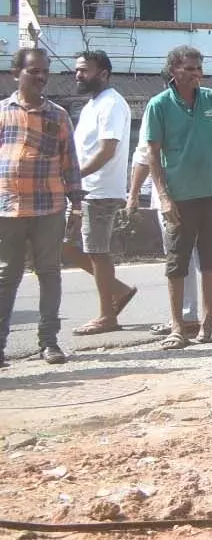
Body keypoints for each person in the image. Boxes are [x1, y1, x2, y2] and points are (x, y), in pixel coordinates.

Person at [143, 46, 212, 349]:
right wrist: (164, 198)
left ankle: (208, 325)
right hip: (180, 197)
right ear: (174, 71)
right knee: (177, 264)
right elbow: (152, 156)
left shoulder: (211, 98)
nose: (197, 73)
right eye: (191, 68)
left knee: (211, 262)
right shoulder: (158, 105)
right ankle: (177, 328)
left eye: (199, 68)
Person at [0, 47, 82, 366]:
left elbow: (70, 164)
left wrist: (77, 205)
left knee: (49, 273)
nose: (41, 76)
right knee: (7, 276)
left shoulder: (58, 115)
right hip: (8, 209)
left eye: (45, 71)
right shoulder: (3, 112)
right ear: (16, 73)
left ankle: (49, 343)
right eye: (34, 70)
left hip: (49, 208)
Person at [128, 141, 212, 335]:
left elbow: (145, 156)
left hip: (175, 197)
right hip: (205, 194)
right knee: (198, 249)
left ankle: (187, 316)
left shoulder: (159, 111)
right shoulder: (208, 111)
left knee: (181, 254)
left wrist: (134, 194)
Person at [66, 50, 137, 336]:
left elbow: (107, 150)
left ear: (103, 73)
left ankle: (107, 315)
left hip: (100, 189)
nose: (78, 74)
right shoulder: (92, 105)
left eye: (84, 70)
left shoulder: (112, 104)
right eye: (77, 70)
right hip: (83, 189)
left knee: (97, 251)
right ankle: (118, 291)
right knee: (60, 244)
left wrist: (74, 177)